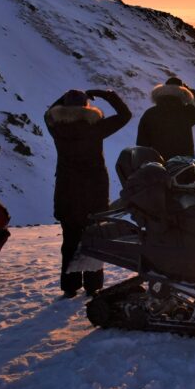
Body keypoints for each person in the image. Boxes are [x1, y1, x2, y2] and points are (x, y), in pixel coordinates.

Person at [45, 88, 131, 297]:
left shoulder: (57, 126)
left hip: (67, 190)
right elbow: (125, 115)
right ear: (87, 106)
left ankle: (70, 286)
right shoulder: (95, 126)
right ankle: (93, 285)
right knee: (94, 237)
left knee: (70, 238)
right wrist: (106, 94)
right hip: (94, 190)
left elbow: (48, 113)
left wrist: (64, 96)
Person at [137, 77, 195, 161]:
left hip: (157, 164)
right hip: (183, 165)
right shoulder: (187, 111)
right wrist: (192, 92)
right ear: (183, 94)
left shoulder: (150, 113)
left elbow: (141, 144)